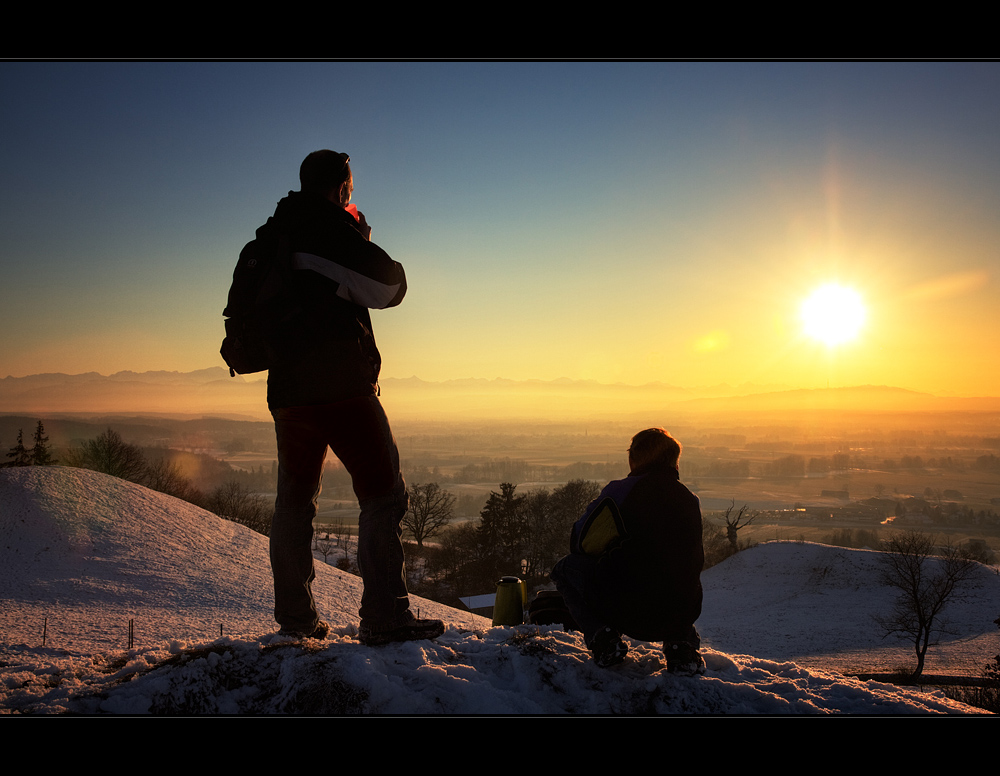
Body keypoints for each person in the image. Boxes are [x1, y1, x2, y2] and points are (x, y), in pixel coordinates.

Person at [262, 149, 443, 646]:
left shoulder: (274, 232)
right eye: (351, 188)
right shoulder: (327, 228)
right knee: (384, 496)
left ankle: (297, 622)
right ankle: (385, 616)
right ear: (342, 187)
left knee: (293, 505)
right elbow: (389, 286)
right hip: (341, 387)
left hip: (289, 393)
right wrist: (358, 234)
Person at [551, 428, 704, 674]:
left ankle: (604, 640)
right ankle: (681, 647)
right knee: (679, 575)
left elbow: (580, 542)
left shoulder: (621, 492)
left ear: (634, 458)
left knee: (565, 568)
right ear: (675, 462)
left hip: (629, 612)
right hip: (681, 613)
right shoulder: (689, 499)